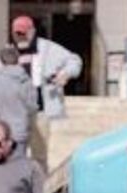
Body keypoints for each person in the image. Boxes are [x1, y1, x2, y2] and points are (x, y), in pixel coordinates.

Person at [8, 15, 83, 171]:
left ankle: (40, 184)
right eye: (17, 33)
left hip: (39, 110)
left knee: (39, 156)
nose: (20, 37)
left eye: (23, 33)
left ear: (32, 32)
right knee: (14, 154)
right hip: (17, 111)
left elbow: (75, 60)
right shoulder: (9, 51)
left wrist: (66, 73)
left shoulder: (48, 48)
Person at [0, 46, 38, 158]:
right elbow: (32, 106)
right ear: (18, 59)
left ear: (1, 61)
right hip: (19, 130)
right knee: (19, 164)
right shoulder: (25, 80)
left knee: (0, 165)